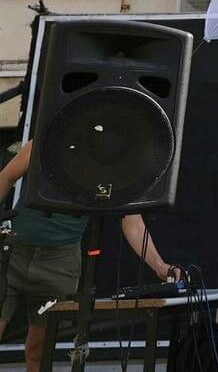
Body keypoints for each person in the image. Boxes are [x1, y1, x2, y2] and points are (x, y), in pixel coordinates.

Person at [0, 141, 177, 372]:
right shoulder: (46, 140)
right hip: (13, 252)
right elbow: (6, 177)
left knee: (38, 350)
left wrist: (159, 265)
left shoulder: (116, 164)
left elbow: (132, 221)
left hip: (60, 262)